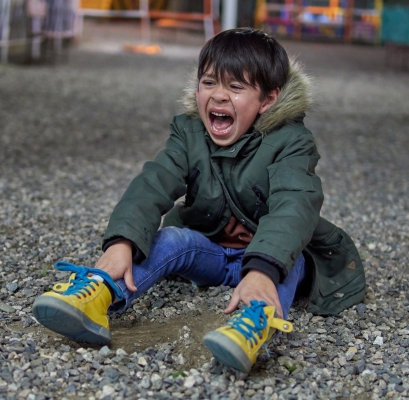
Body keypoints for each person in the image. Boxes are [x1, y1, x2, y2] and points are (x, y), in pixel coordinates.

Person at [32, 27, 366, 374]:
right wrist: (122, 241)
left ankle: (252, 325)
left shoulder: (291, 141)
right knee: (172, 239)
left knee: (292, 263)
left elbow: (293, 206)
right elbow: (153, 183)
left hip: (268, 259)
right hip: (213, 251)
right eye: (209, 83)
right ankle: (100, 293)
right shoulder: (190, 133)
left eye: (236, 88)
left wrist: (264, 270)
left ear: (267, 99)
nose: (219, 96)